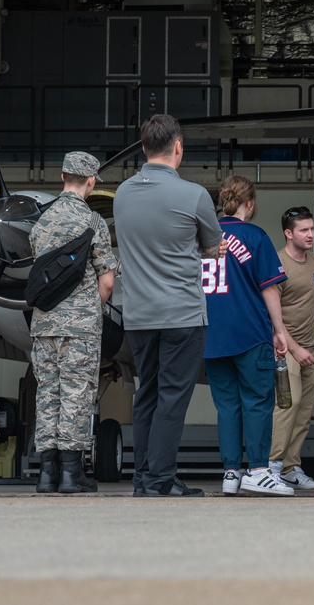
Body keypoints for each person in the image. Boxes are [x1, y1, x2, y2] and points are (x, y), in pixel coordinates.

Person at [114, 114, 227, 497]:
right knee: (173, 397)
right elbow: (214, 250)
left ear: (145, 148)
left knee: (147, 392)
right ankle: (160, 478)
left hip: (139, 315)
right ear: (178, 147)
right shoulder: (193, 195)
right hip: (181, 312)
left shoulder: (122, 194)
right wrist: (200, 247)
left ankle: (144, 477)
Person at [30, 152, 117, 494]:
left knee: (48, 394)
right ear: (91, 181)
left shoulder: (41, 222)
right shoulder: (92, 222)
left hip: (43, 325)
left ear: (62, 176)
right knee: (76, 396)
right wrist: (89, 309)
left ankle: (46, 474)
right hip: (79, 328)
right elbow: (107, 281)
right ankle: (71, 474)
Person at [202, 176, 293, 497]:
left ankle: (230, 471)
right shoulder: (254, 235)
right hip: (250, 332)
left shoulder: (204, 236)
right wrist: (279, 330)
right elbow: (269, 288)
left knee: (226, 406)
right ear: (249, 203)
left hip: (211, 332)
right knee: (257, 401)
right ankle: (257, 469)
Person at [269, 206, 314, 491]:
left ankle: (291, 467)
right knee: (286, 407)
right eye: (304, 230)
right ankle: (272, 465)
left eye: (312, 229)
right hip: (285, 348)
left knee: (305, 412)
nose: (310, 234)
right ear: (288, 233)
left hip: (311, 348)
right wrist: (294, 349)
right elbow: (273, 315)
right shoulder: (277, 264)